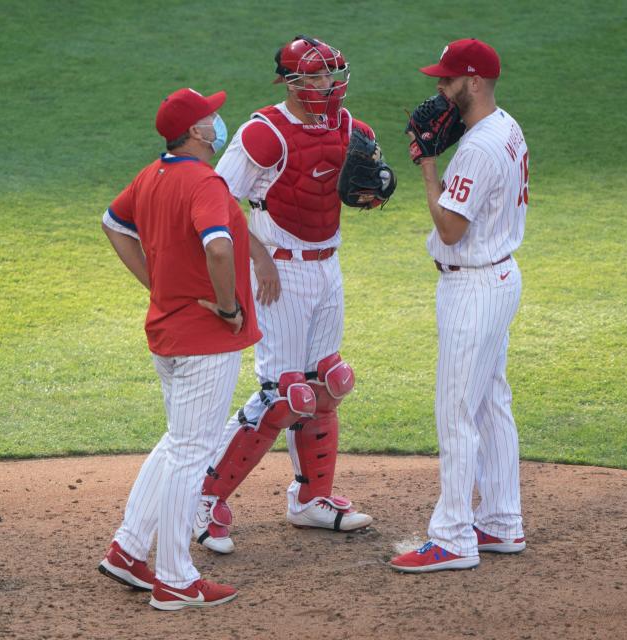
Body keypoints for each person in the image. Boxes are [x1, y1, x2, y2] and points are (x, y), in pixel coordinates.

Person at [192, 35, 388, 554]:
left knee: (328, 381)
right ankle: (203, 497)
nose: (329, 85)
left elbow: (345, 189)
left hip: (328, 267)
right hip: (279, 268)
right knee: (284, 395)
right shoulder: (264, 133)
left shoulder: (350, 129)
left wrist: (371, 194)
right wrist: (257, 258)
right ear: (292, 83)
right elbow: (218, 199)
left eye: (333, 75)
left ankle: (311, 501)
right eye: (318, 77)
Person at [96, 86, 262, 606]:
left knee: (177, 443)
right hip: (205, 340)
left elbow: (112, 223)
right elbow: (218, 246)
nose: (219, 120)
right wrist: (229, 307)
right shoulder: (204, 182)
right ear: (196, 132)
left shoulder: (151, 175)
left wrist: (158, 284)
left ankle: (127, 550)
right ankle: (174, 578)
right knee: (192, 453)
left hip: (167, 333)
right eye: (211, 116)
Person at [390, 38, 531, 573]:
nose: (439, 92)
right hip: (498, 278)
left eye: (447, 81)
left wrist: (427, 165)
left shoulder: (476, 148)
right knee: (491, 402)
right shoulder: (506, 126)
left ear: (473, 83)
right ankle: (500, 521)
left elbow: (450, 229)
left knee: (456, 413)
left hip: (473, 287)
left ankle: (452, 537)